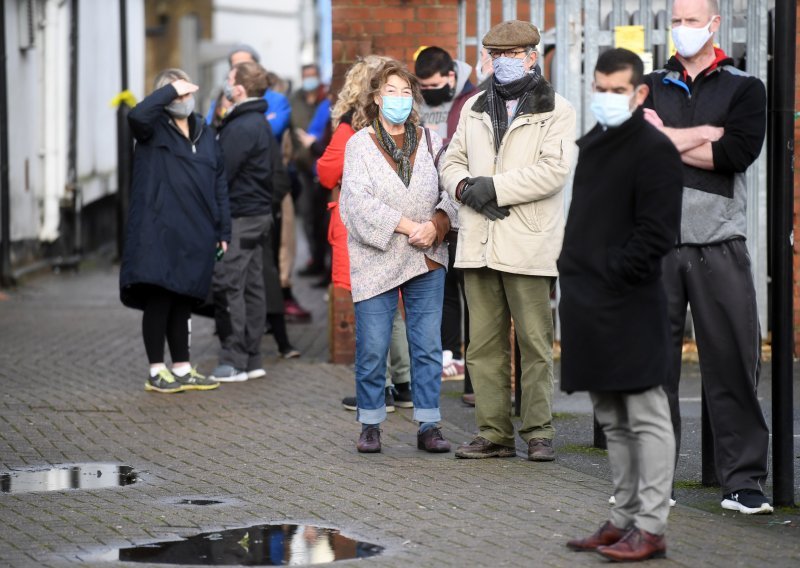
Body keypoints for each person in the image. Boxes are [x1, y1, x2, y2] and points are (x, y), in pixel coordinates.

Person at [643, 0, 773, 515]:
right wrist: (701, 136)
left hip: (718, 241)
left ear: (714, 25)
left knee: (734, 364)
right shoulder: (649, 84)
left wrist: (668, 137)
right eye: (675, 20)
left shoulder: (744, 87)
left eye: (692, 21)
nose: (682, 29)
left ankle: (743, 482)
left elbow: (736, 154)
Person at [560, 48, 682, 563]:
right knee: (611, 415)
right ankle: (624, 516)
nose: (606, 98)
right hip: (590, 301)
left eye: (617, 90)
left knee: (646, 412)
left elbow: (657, 233)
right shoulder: (594, 144)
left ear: (639, 94)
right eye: (600, 88)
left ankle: (650, 526)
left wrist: (610, 274)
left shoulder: (653, 149)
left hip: (628, 302)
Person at [441, 20, 576, 462]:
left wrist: (493, 188)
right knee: (482, 346)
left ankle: (539, 432)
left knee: (535, 343)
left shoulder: (557, 108)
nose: (503, 63)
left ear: (532, 58)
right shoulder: (475, 107)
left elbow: (554, 171)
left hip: (528, 242)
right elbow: (451, 159)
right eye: (496, 55)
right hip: (479, 240)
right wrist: (463, 188)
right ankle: (494, 433)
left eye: (513, 55)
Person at [340, 59, 458, 453]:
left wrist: (438, 225)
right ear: (376, 98)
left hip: (426, 258)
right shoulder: (359, 145)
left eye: (406, 93)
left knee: (426, 346)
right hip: (377, 259)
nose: (399, 100)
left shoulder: (431, 140)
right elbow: (357, 203)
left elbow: (451, 189)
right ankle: (371, 423)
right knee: (373, 346)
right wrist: (412, 227)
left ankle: (429, 425)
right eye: (391, 92)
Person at [120, 68, 230, 393]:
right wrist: (169, 90)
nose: (183, 99)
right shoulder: (151, 128)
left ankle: (181, 367)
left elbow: (219, 182)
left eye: (185, 91)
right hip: (158, 229)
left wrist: (224, 228)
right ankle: (157, 370)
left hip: (196, 231)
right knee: (160, 296)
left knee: (184, 299)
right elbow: (136, 114)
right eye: (175, 93)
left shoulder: (205, 131)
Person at [316, 55, 414, 411]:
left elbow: (327, 173)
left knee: (371, 308)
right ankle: (404, 385)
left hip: (361, 228)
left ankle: (378, 389)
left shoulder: (350, 130)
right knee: (397, 309)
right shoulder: (406, 128)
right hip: (401, 224)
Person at [209, 61, 275, 382]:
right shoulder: (258, 121)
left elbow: (222, 173)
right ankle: (252, 358)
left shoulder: (241, 126)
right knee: (251, 285)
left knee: (229, 284)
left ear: (239, 89)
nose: (226, 83)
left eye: (230, 79)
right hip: (258, 214)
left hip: (240, 216)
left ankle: (234, 360)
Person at [291, 64, 332, 280]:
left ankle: (326, 265)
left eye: (312, 76)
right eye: (305, 76)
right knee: (309, 217)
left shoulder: (325, 100)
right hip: (304, 166)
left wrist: (313, 144)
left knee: (325, 220)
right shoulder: (294, 100)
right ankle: (316, 260)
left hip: (321, 165)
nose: (309, 80)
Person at [415, 46, 474, 143]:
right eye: (424, 86)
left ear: (451, 76)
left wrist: (435, 142)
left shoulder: (471, 100)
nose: (429, 90)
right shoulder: (413, 99)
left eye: (434, 85)